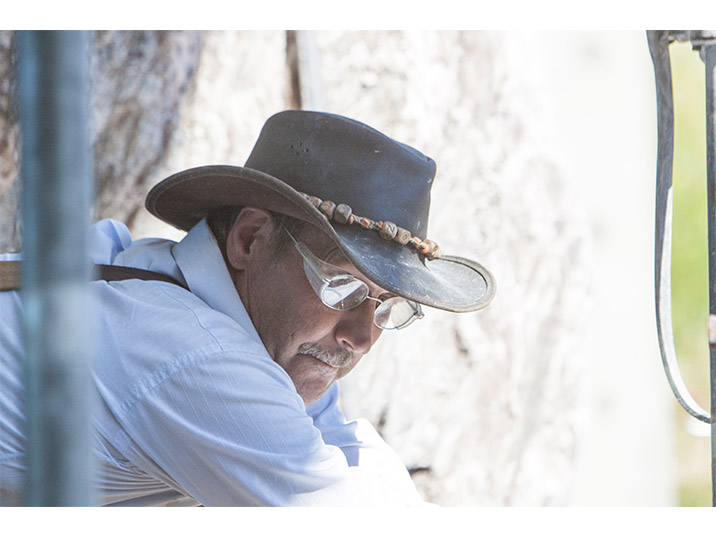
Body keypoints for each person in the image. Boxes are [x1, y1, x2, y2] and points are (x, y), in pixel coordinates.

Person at [0, 110, 495, 506]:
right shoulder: (199, 359)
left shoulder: (243, 327)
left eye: (388, 307)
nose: (362, 337)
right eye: (342, 286)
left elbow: (341, 451)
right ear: (249, 238)